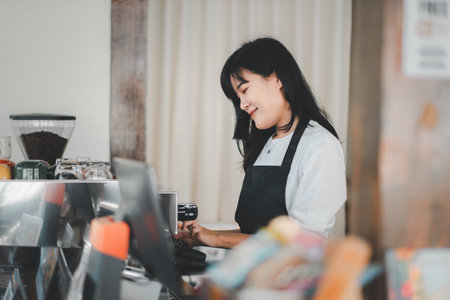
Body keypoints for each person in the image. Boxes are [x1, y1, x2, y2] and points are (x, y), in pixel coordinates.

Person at [174, 37, 346, 249]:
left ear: (276, 78)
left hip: (285, 279)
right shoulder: (265, 143)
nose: (243, 105)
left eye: (244, 90)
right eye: (237, 98)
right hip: (250, 272)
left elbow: (300, 244)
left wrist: (217, 238)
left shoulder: (320, 146)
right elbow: (256, 235)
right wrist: (204, 236)